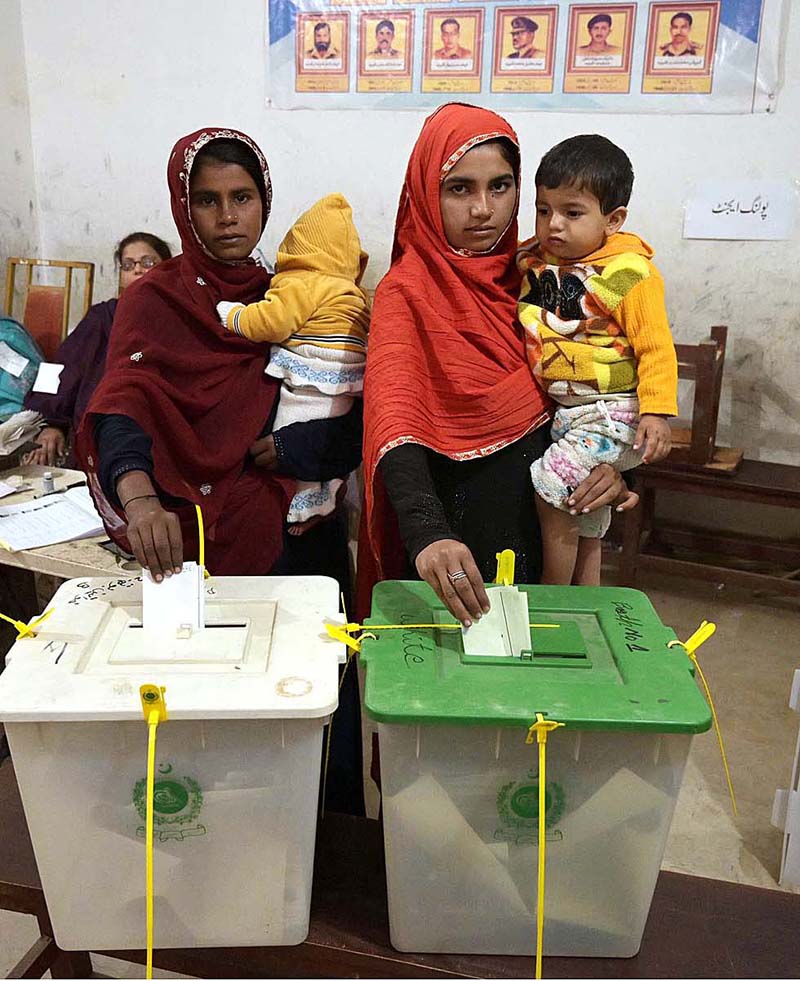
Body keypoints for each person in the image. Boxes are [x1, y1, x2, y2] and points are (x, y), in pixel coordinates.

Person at [360, 104, 635, 628]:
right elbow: (394, 424)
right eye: (459, 188)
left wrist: (612, 469)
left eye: (500, 186)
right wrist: (427, 533)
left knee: (540, 692)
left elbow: (603, 381)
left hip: (542, 527)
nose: (483, 209)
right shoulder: (407, 292)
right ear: (425, 192)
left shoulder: (543, 279)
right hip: (448, 544)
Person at [77, 128, 362, 586]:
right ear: (183, 209)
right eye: (208, 200)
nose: (228, 217)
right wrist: (141, 502)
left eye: (242, 197)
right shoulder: (155, 298)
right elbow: (123, 408)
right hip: (189, 537)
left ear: (263, 202)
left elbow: (357, 414)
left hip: (300, 531)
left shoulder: (292, 293)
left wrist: (295, 450)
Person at [516, 135, 677, 586]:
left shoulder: (631, 273)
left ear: (614, 219)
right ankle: (587, 603)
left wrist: (657, 412)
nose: (554, 225)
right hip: (573, 414)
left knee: (553, 482)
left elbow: (656, 346)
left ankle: (551, 594)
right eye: (543, 209)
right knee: (584, 514)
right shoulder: (538, 260)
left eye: (572, 213)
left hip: (615, 412)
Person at [216, 192, 369, 534]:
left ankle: (298, 510)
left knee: (289, 438)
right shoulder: (351, 292)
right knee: (320, 462)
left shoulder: (303, 282)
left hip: (309, 379)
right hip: (345, 384)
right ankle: (319, 504)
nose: (227, 217)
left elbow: (269, 322)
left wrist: (232, 314)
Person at [23, 233, 171, 467]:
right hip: (104, 432)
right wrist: (49, 422)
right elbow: (60, 367)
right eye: (128, 265)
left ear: (168, 268)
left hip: (164, 434)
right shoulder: (103, 318)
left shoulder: (181, 319)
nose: (138, 270)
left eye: (148, 262)